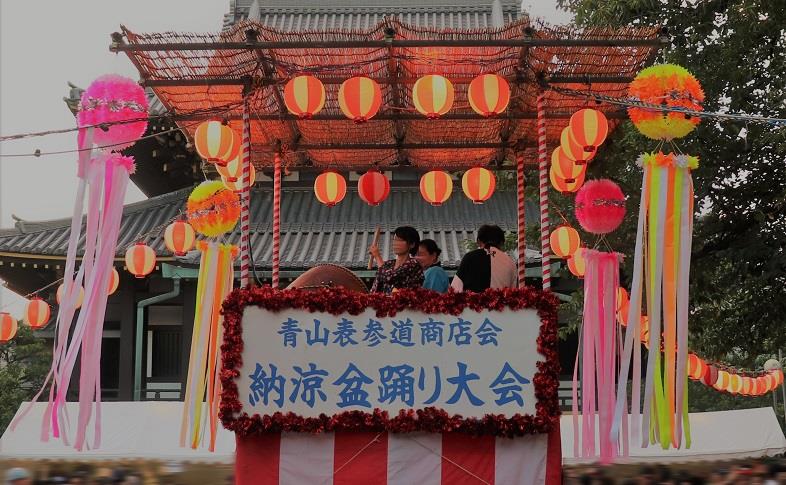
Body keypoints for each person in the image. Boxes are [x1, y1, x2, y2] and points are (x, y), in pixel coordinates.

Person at [451, 224, 516, 292]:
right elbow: (512, 292)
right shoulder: (510, 262)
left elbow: (455, 290)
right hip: (501, 302)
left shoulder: (469, 258)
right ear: (502, 243)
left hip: (473, 302)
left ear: (478, 241)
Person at [369, 226, 424, 293]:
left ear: (412, 244)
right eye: (395, 239)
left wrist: (377, 256)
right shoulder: (389, 264)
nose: (396, 243)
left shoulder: (414, 265)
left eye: (400, 240)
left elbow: (389, 277)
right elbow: (376, 285)